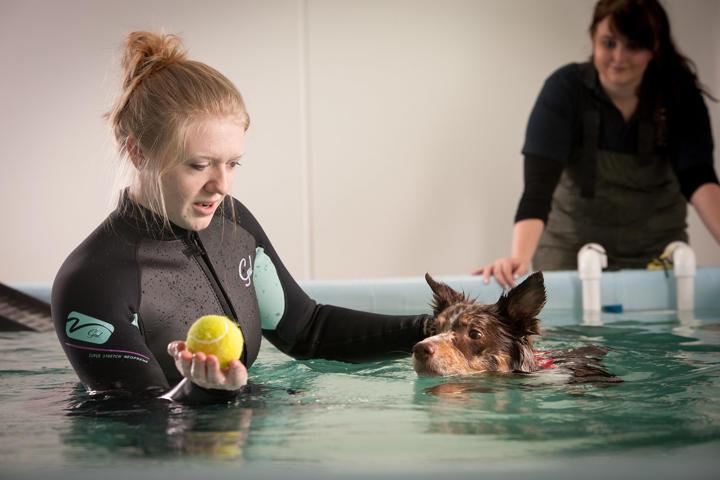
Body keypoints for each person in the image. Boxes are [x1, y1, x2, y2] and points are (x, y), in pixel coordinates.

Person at [51, 31, 434, 404]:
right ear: (138, 153)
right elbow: (136, 414)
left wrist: (434, 330)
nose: (221, 185)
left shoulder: (234, 226)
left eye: (233, 163)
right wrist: (200, 391)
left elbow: (307, 331)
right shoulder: (91, 281)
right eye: (199, 165)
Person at [475, 0, 720, 288]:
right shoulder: (565, 89)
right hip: (569, 253)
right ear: (593, 39)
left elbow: (699, 178)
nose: (619, 57)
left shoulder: (679, 96)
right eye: (609, 43)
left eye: (633, 46)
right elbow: (538, 188)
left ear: (655, 48)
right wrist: (518, 258)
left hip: (657, 258)